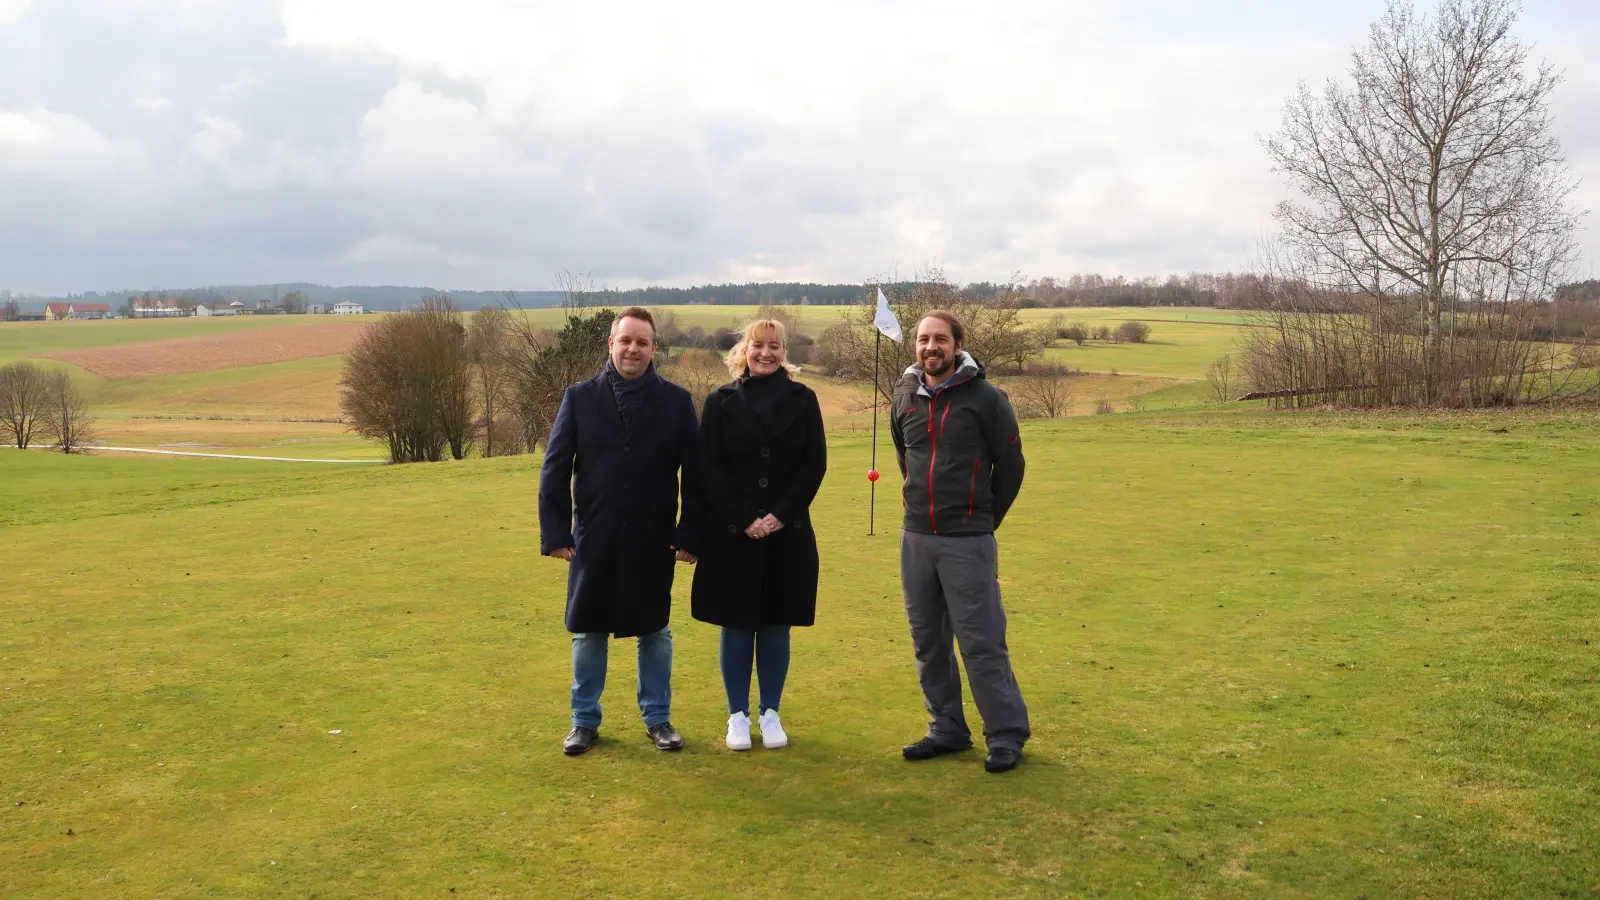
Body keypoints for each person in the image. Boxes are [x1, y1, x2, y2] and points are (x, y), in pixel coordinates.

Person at [538, 307, 702, 756]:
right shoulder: (579, 398)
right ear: (611, 345)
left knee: (655, 630)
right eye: (625, 340)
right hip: (595, 536)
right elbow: (554, 469)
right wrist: (555, 533)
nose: (633, 349)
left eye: (642, 342)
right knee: (588, 631)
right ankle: (583, 721)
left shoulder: (676, 402)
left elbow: (699, 475)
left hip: (653, 539)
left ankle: (658, 718)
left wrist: (690, 535)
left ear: (653, 348)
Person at [889, 310, 1030, 773]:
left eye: (940, 340)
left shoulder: (987, 398)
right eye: (924, 339)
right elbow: (905, 457)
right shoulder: (904, 394)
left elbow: (1010, 467)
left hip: (967, 539)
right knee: (928, 641)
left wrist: (984, 520)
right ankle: (947, 728)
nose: (931, 347)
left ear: (958, 345)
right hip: (917, 539)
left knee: (981, 641)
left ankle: (1006, 734)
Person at [692, 318, 826, 751]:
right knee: (735, 626)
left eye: (775, 346)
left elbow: (813, 464)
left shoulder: (804, 400)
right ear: (744, 350)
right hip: (733, 536)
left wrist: (778, 516)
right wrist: (745, 517)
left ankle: (770, 713)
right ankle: (737, 716)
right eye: (758, 345)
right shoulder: (719, 401)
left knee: (774, 626)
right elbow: (709, 468)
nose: (766, 353)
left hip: (787, 535)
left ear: (785, 352)